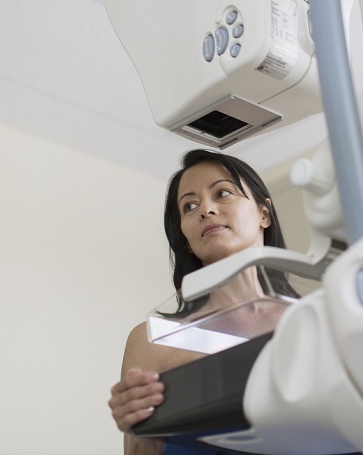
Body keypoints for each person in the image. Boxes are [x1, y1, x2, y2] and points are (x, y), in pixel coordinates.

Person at [108, 149, 299, 455]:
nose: (206, 210)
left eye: (222, 193)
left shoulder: (317, 321)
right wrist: (137, 428)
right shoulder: (153, 340)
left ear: (264, 213)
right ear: (186, 239)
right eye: (190, 206)